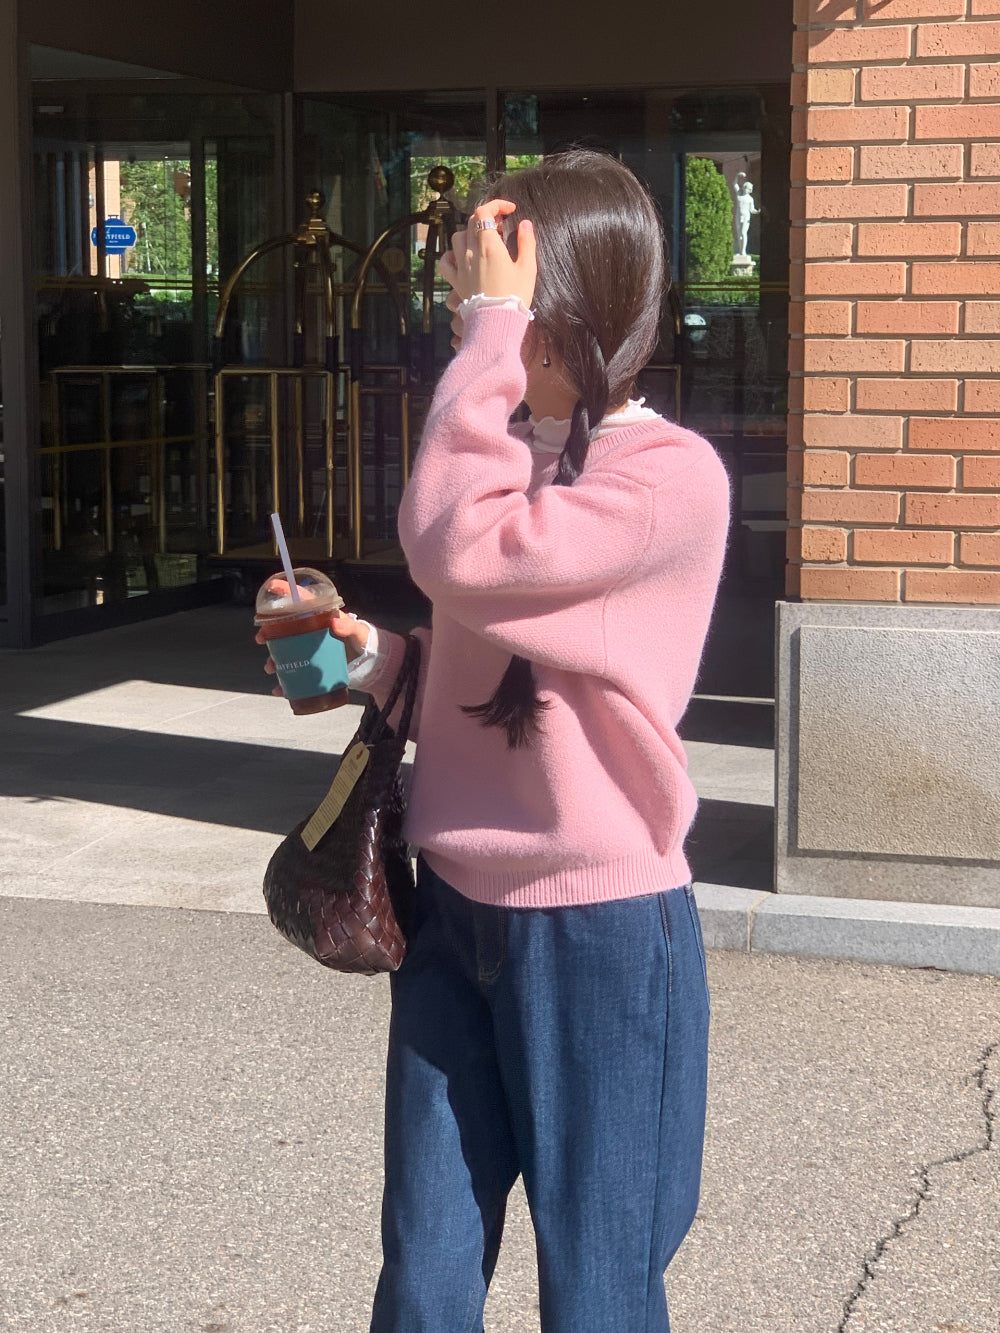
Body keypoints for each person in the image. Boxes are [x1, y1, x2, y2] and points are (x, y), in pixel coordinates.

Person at [264, 149, 730, 1332]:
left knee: (599, 1284)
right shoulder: (509, 460)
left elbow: (458, 550)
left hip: (598, 931)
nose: (465, 322)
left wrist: (486, 331)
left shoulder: (669, 480)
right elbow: (477, 654)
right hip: (455, 911)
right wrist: (365, 656)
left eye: (493, 295)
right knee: (423, 1271)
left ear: (560, 310)